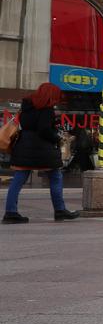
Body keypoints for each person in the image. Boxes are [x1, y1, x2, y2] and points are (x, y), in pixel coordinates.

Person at [3, 83, 79, 224]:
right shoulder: (46, 109)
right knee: (55, 177)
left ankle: (10, 213)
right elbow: (44, 130)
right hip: (43, 149)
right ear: (51, 95)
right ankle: (60, 210)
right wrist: (57, 138)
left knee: (18, 180)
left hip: (24, 147)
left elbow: (26, 126)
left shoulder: (26, 107)